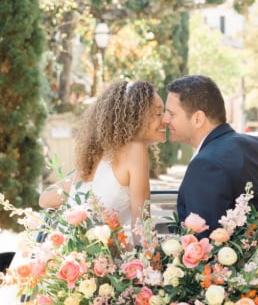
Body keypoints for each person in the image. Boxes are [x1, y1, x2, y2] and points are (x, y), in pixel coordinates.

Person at [162, 74, 258, 232]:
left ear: (198, 119)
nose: (165, 119)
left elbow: (203, 245)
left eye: (171, 114)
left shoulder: (205, 164)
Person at [39, 80, 166, 230]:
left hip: (71, 251)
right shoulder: (135, 151)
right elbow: (142, 225)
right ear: (135, 116)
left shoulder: (95, 159)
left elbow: (44, 199)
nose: (165, 119)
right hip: (98, 252)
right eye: (158, 113)